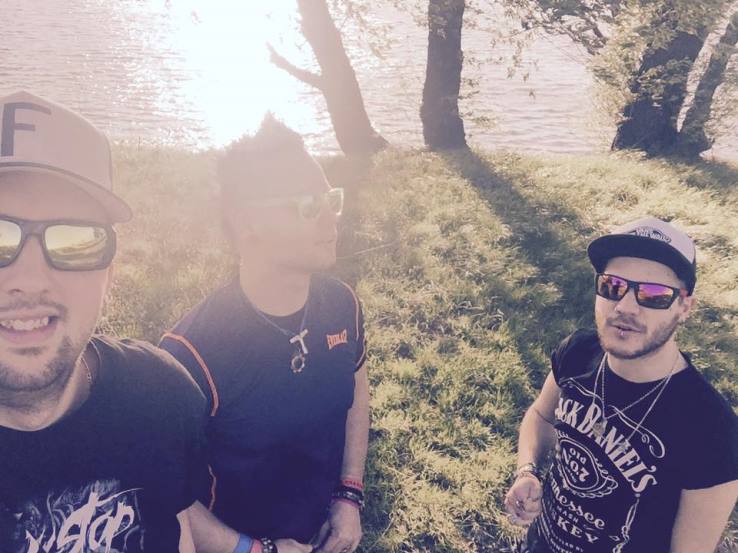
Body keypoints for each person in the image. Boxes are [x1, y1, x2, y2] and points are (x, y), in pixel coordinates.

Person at [0, 89, 270, 553]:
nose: (29, 278)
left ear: (110, 272)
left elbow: (175, 522)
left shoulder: (159, 395)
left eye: (75, 240)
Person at [160, 115, 370, 553]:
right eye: (308, 206)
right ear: (247, 224)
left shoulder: (343, 304)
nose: (332, 220)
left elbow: (356, 392)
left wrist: (349, 494)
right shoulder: (190, 353)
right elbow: (167, 494)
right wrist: (255, 550)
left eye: (332, 200)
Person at [505, 217, 738, 553]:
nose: (625, 307)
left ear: (685, 307)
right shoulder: (578, 352)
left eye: (654, 295)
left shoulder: (712, 430)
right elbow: (541, 416)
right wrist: (527, 471)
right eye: (613, 286)